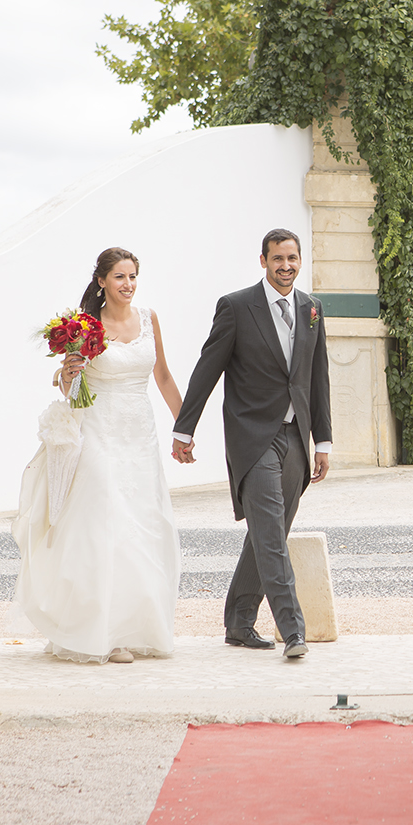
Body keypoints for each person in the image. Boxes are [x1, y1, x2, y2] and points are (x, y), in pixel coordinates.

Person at [12, 247, 185, 664]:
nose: (128, 285)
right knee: (107, 522)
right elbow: (69, 387)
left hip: (139, 434)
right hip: (98, 431)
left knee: (143, 523)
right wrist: (67, 375)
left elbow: (162, 375)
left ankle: (135, 625)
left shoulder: (149, 319)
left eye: (133, 277)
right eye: (120, 277)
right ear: (102, 280)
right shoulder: (84, 325)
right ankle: (104, 633)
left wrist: (185, 427)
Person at [170, 229, 332, 659]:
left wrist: (324, 441)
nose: (286, 266)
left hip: (295, 438)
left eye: (292, 258)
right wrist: (184, 428)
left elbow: (318, 378)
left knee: (269, 533)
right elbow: (208, 369)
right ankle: (293, 630)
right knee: (271, 537)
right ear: (262, 261)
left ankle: (239, 623)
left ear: (300, 260)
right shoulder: (237, 307)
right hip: (252, 438)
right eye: (277, 258)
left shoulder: (312, 308)